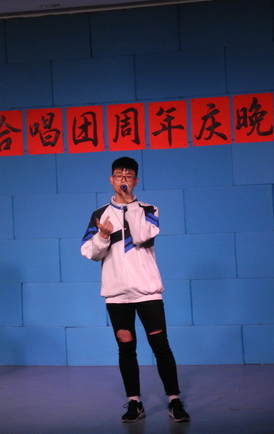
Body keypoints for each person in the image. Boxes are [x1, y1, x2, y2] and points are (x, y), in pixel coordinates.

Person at [80, 156, 190, 423]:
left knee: (160, 346)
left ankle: (174, 400)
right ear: (111, 180)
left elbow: (141, 236)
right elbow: (89, 252)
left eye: (128, 177)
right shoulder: (99, 215)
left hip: (148, 292)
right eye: (119, 176)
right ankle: (134, 402)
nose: (123, 180)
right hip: (117, 296)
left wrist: (130, 206)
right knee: (126, 348)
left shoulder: (149, 209)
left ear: (136, 181)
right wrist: (102, 236)